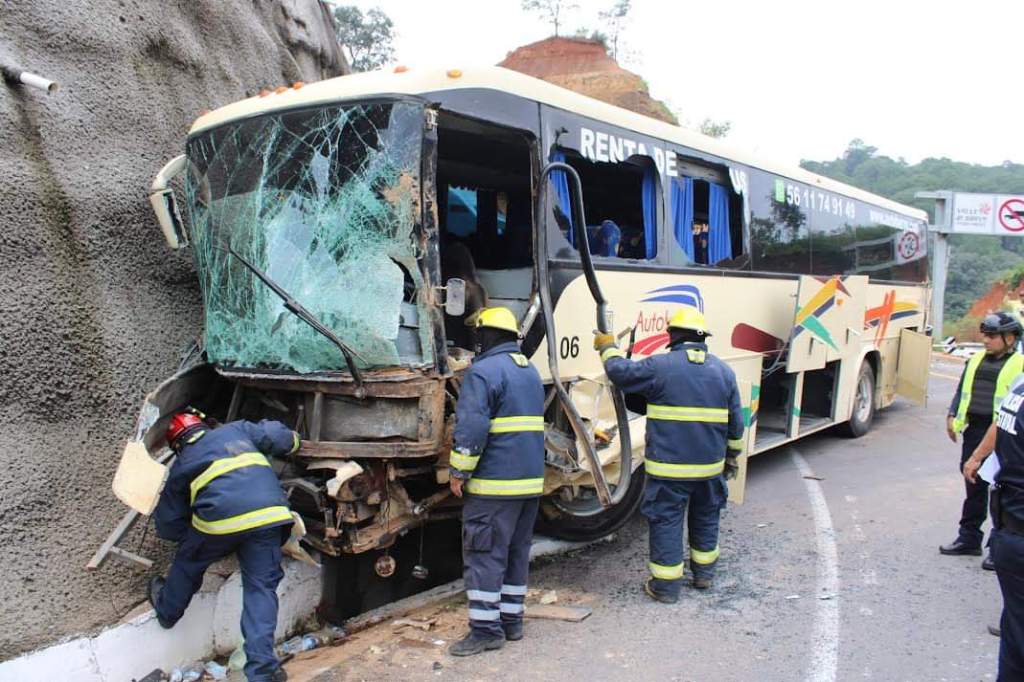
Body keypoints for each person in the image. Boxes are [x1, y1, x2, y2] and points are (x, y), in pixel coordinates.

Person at [594, 307, 744, 602]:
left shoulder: (661, 367)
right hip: (710, 470)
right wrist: (732, 458)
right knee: (706, 516)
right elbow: (736, 425)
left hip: (670, 471)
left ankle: (666, 587)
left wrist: (607, 346)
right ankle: (704, 575)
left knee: (666, 521)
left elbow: (619, 372)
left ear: (673, 336)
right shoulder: (724, 372)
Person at [149, 410, 300, 682]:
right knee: (261, 589)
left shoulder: (181, 466)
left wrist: (192, 534)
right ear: (205, 424)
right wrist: (295, 441)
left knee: (188, 561)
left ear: (177, 444)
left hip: (219, 525)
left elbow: (168, 526)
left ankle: (167, 612)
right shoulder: (237, 430)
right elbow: (278, 437)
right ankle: (263, 672)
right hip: (270, 517)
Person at [447, 307, 545, 656]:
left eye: (479, 334)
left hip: (494, 487)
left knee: (485, 555)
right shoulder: (529, 370)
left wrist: (458, 471)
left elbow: (472, 428)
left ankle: (486, 630)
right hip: (529, 485)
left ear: (487, 335)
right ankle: (511, 621)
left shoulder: (483, 372)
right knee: (515, 553)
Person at [942, 312, 1024, 569]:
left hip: (1003, 433)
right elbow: (962, 389)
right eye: (985, 335)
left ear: (1010, 338)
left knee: (999, 489)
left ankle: (996, 546)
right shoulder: (975, 359)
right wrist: (953, 413)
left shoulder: (1019, 365)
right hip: (976, 430)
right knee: (973, 485)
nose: (986, 340)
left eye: (992, 336)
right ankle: (969, 538)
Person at [963, 373, 1024, 679]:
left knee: (1015, 641)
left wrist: (976, 456)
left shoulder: (1021, 383)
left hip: (1009, 532)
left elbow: (1000, 425)